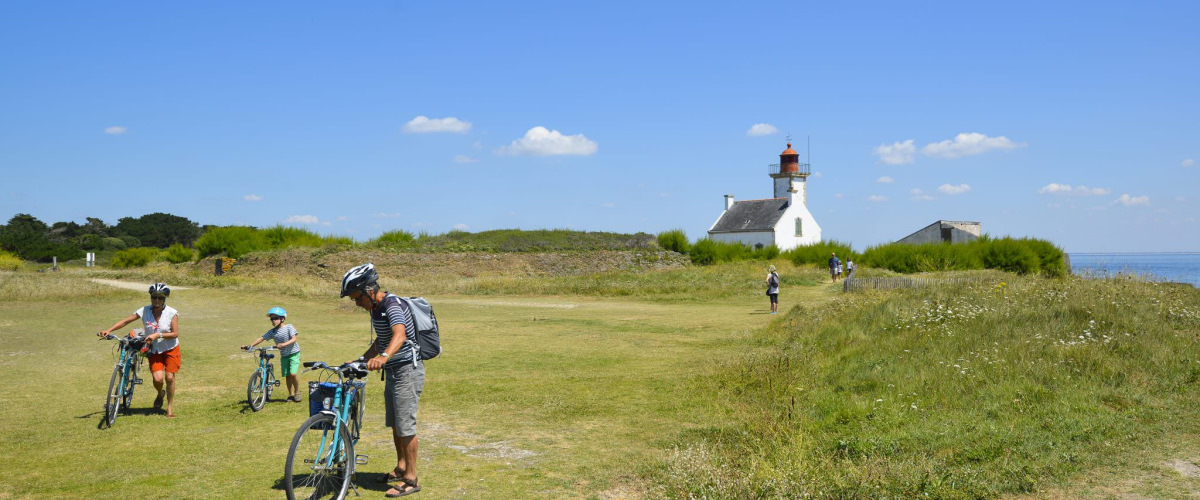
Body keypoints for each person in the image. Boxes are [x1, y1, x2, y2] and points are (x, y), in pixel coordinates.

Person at [341, 263, 425, 498]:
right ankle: (401, 467)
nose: (357, 303)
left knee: (405, 424)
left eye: (357, 297)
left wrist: (385, 356)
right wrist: (360, 359)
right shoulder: (377, 310)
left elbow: (399, 334)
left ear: (369, 289)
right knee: (396, 423)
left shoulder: (392, 304)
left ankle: (411, 478)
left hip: (407, 370)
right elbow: (382, 339)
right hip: (394, 371)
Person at [98, 282, 181, 418]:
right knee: (158, 379)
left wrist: (157, 335)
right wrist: (108, 330)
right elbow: (125, 321)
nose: (157, 300)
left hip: (170, 348)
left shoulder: (172, 313)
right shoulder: (144, 310)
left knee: (170, 378)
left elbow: (175, 333)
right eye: (154, 297)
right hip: (154, 349)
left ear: (165, 298)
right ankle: (160, 393)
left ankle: (169, 408)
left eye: (160, 298)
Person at [241, 307, 302, 402]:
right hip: (284, 355)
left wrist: (283, 344)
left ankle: (297, 392)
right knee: (287, 376)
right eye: (271, 319)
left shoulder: (289, 327)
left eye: (276, 318)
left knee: (293, 374)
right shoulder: (272, 332)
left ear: (282, 318)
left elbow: (294, 339)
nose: (273, 321)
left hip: (294, 353)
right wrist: (250, 346)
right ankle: (291, 395)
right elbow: (261, 338)